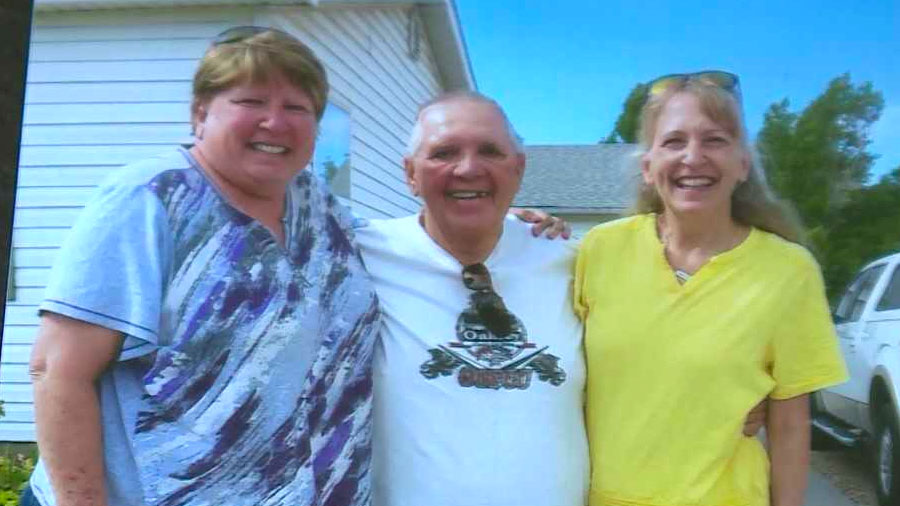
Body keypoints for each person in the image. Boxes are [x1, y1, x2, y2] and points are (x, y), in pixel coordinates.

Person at [25, 27, 380, 506]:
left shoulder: (324, 212)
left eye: (296, 108)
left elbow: (423, 241)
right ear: (200, 114)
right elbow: (57, 370)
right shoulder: (149, 199)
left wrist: (510, 228)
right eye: (251, 102)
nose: (275, 122)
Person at [574, 71, 848, 506]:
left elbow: (791, 424)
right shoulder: (599, 249)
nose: (693, 157)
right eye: (674, 141)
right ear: (648, 167)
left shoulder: (789, 270)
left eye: (715, 140)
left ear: (743, 164)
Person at [357, 92, 589, 506]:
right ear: (410, 173)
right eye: (444, 152)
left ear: (518, 169)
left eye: (490, 151)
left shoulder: (574, 264)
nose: (468, 168)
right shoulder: (360, 254)